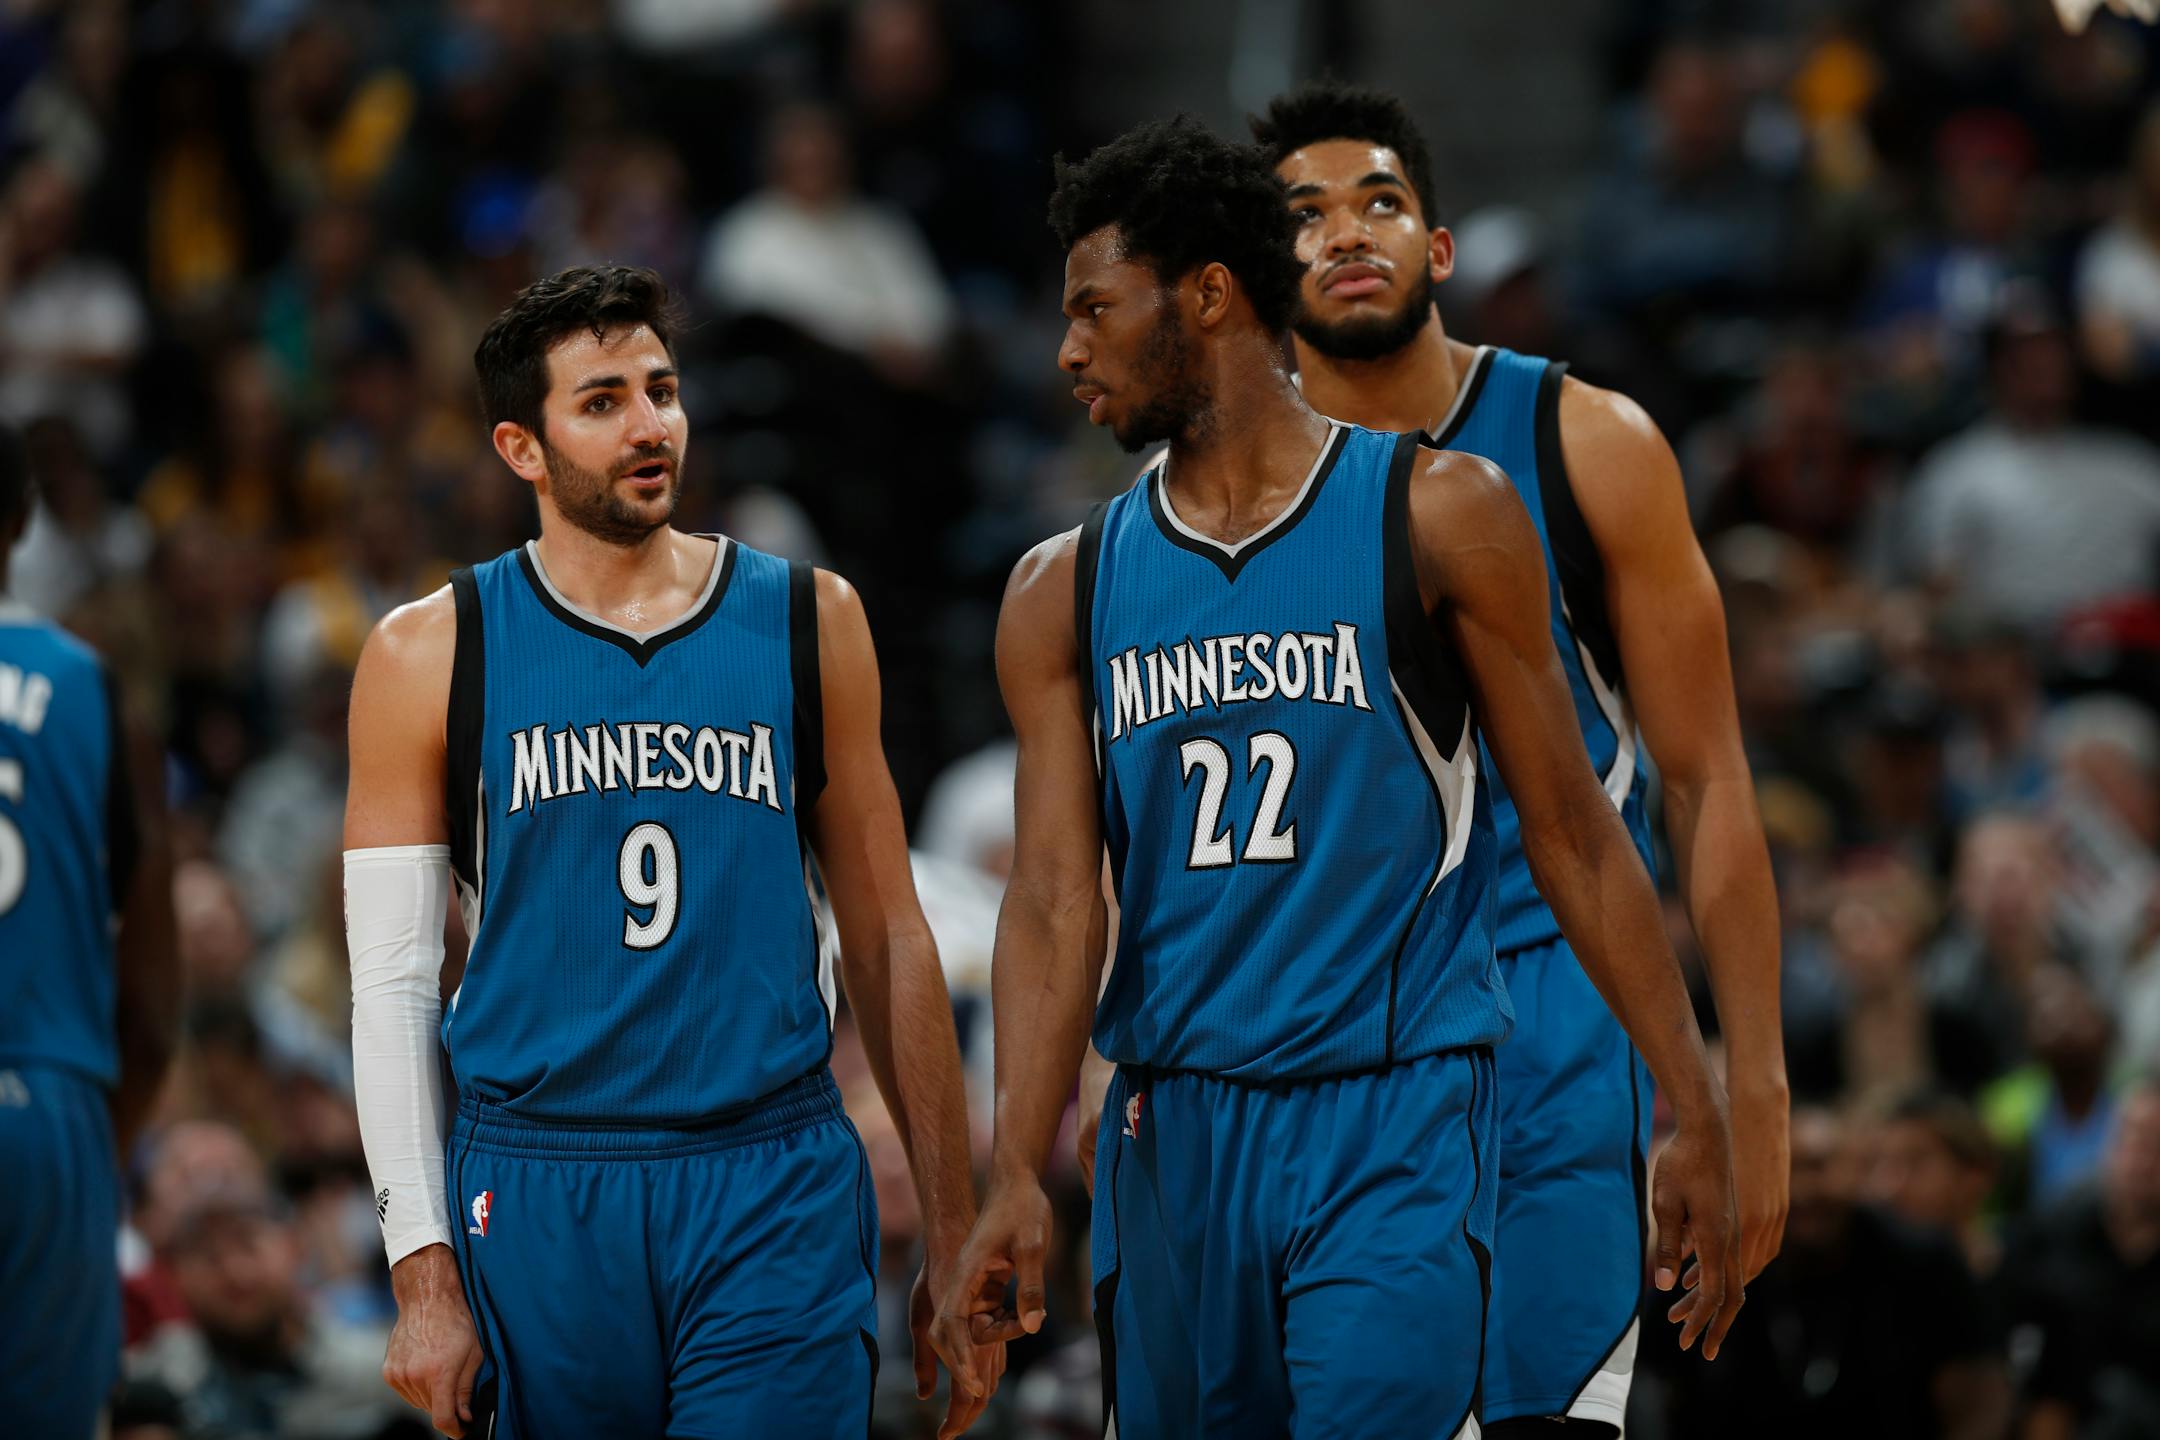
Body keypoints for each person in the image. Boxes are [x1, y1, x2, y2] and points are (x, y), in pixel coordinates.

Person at [934, 118, 1740, 1439]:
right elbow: (1051, 905)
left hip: (1395, 1116)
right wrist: (1016, 1166)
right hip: (1171, 1132)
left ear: (1205, 295)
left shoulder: (1443, 513)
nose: (1067, 349)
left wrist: (1690, 1099)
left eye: (1093, 308)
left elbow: (1579, 835)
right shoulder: (1058, 589)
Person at [342, 264, 997, 1440]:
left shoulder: (811, 618)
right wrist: (422, 1271)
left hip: (768, 1171)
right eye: (601, 401)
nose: (650, 426)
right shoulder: (428, 651)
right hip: (539, 1183)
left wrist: (950, 1224)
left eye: (662, 390)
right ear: (520, 448)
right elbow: (391, 986)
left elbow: (891, 938)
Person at [1239, 80, 1788, 1433]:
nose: (1346, 232)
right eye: (1301, 217)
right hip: (1313, 1042)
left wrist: (1744, 1088)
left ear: (1438, 249)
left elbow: (1710, 780)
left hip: (1546, 1004)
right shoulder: (1212, 497)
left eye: (1381, 201)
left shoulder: (1587, 441)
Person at [0, 418, 181, 1438]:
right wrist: (85, 1150)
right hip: (50, 1107)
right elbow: (153, 1009)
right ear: (23, 520)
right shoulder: (86, 686)